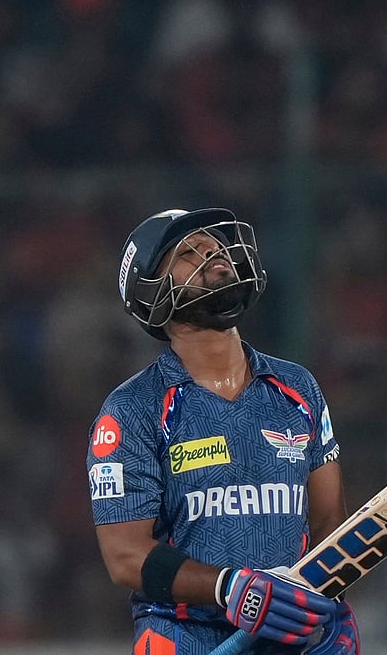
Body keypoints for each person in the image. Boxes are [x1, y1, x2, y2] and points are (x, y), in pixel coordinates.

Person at [87, 207, 359, 654]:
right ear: (150, 290)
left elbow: (329, 520)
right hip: (183, 637)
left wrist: (335, 606)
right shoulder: (132, 409)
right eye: (186, 251)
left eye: (214, 244)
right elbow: (124, 556)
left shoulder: (298, 387)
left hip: (287, 635)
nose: (213, 250)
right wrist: (229, 589)